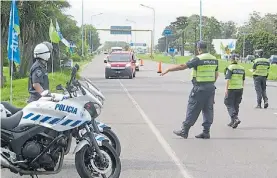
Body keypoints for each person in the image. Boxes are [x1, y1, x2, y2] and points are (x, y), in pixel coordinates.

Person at [160, 41, 218, 139]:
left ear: (198, 49)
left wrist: (169, 69)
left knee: (193, 108)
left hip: (199, 88)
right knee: (208, 109)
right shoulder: (214, 59)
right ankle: (206, 132)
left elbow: (183, 66)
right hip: (210, 88)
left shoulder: (198, 59)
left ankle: (184, 130)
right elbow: (216, 74)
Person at [224, 54, 245, 129]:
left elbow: (228, 79)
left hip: (231, 88)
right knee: (236, 105)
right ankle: (233, 121)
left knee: (228, 103)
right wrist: (242, 88)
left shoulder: (230, 67)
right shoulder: (242, 68)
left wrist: (226, 89)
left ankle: (235, 118)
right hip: (240, 88)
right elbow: (243, 80)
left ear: (231, 60)